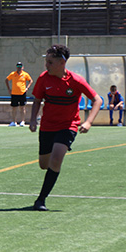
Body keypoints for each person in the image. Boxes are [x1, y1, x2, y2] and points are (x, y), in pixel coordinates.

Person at [29, 44, 101, 211]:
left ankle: (41, 200)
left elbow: (97, 99)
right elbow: (37, 100)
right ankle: (54, 161)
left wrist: (88, 121)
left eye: (50, 62)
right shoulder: (43, 78)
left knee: (55, 160)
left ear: (62, 63)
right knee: (44, 164)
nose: (46, 65)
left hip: (68, 126)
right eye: (46, 62)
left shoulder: (75, 81)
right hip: (47, 126)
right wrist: (33, 119)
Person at [5, 61, 32, 127]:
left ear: (22, 67)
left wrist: (27, 88)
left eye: (20, 67)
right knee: (14, 108)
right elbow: (6, 80)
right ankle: (14, 121)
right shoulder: (13, 74)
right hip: (14, 93)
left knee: (22, 108)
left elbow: (30, 80)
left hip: (22, 93)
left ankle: (22, 121)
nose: (19, 68)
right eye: (18, 67)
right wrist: (9, 89)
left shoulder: (25, 74)